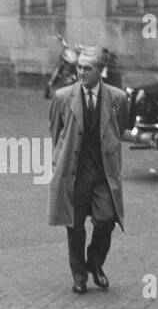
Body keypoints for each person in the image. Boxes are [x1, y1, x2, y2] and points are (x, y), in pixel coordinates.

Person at [49, 45, 129, 295]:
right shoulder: (63, 97)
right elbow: (56, 132)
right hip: (74, 171)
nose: (81, 72)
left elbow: (120, 128)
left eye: (88, 68)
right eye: (79, 67)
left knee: (106, 219)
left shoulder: (117, 98)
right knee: (74, 225)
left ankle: (94, 263)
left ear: (101, 71)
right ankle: (79, 275)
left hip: (103, 172)